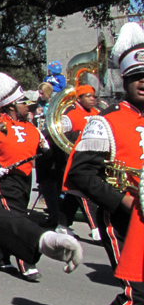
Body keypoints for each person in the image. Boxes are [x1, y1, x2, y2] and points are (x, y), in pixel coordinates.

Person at [68, 22, 144, 305]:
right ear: (125, 80)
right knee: (138, 293)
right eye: (136, 76)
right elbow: (81, 175)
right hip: (124, 217)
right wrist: (125, 202)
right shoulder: (105, 123)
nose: (143, 82)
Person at [0, 73, 50, 281]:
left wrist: (46, 149)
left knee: (15, 214)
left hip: (25, 178)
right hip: (4, 179)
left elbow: (39, 151)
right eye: (23, 103)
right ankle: (26, 261)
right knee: (18, 217)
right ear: (12, 105)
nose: (27, 106)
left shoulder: (30, 127)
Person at [58, 85, 101, 239]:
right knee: (84, 192)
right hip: (76, 159)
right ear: (79, 98)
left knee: (73, 194)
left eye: (94, 96)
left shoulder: (97, 113)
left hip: (95, 159)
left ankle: (62, 224)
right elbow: (62, 136)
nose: (92, 99)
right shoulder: (69, 115)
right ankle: (96, 227)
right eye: (88, 96)